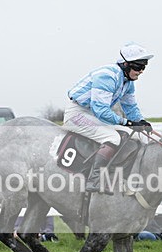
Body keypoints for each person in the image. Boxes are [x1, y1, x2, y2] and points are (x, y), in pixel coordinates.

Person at [64, 42, 155, 192]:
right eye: (138, 67)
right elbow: (100, 110)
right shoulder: (107, 76)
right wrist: (127, 122)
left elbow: (130, 107)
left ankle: (122, 177)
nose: (141, 71)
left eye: (144, 67)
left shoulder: (128, 82)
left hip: (93, 114)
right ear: (126, 64)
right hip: (77, 114)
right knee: (113, 138)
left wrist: (141, 121)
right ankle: (94, 180)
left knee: (135, 136)